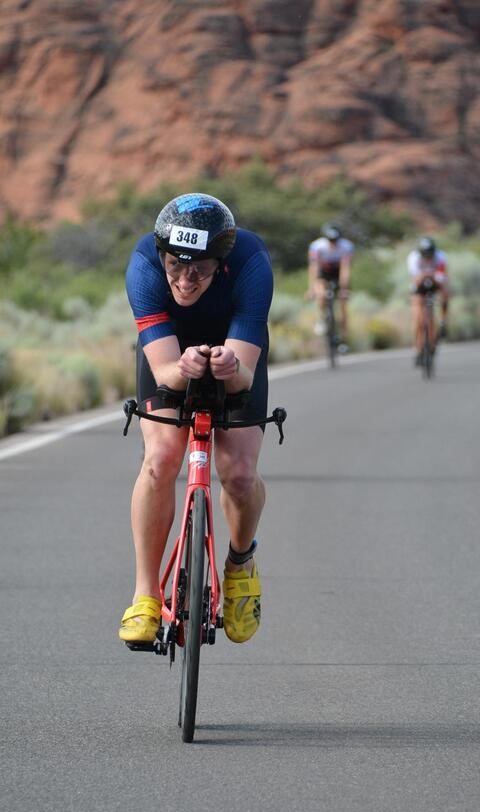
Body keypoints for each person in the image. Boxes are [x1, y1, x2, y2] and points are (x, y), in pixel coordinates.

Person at [119, 193, 273, 646]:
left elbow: (243, 376)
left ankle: (240, 565)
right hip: (170, 352)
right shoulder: (144, 267)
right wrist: (182, 369)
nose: (185, 280)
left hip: (235, 353)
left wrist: (229, 368)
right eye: (175, 266)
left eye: (200, 268)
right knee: (161, 459)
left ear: (221, 264)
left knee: (240, 473)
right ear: (162, 255)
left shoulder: (250, 263)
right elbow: (164, 370)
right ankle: (145, 595)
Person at [407, 236, 450, 364]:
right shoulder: (413, 258)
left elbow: (441, 278)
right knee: (417, 317)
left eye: (429, 254)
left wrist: (431, 276)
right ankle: (418, 348)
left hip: (435, 282)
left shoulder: (441, 257)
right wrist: (429, 274)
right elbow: (416, 279)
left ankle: (443, 320)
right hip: (420, 285)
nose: (427, 257)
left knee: (445, 292)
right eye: (424, 255)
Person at [307, 223, 354, 339]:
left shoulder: (346, 246)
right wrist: (312, 288)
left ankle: (343, 337)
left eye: (335, 240)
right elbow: (314, 267)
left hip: (338, 271)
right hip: (324, 271)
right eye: (330, 240)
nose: (333, 243)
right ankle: (322, 318)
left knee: (343, 303)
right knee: (321, 295)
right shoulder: (317, 246)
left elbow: (345, 268)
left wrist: (344, 289)